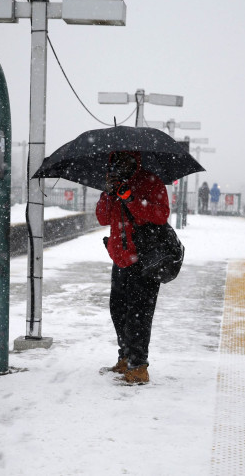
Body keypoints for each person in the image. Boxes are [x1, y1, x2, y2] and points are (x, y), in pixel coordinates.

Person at [96, 151, 170, 384]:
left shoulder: (150, 182)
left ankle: (138, 366)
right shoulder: (113, 184)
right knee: (118, 311)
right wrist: (108, 194)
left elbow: (161, 215)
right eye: (116, 162)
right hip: (120, 258)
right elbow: (102, 218)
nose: (120, 166)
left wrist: (131, 199)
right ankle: (125, 357)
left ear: (135, 161)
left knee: (139, 315)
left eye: (125, 161)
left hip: (145, 260)